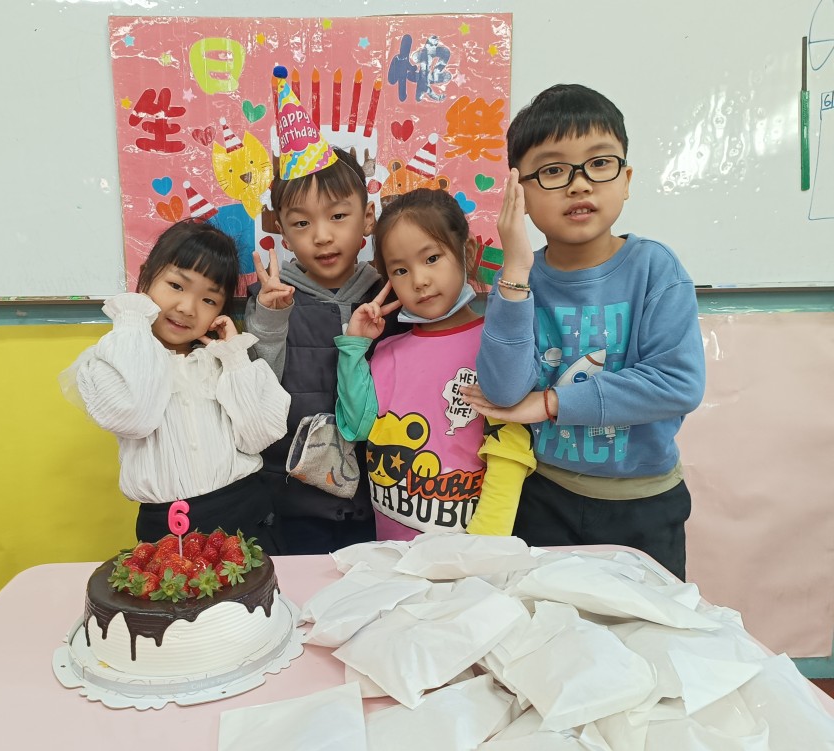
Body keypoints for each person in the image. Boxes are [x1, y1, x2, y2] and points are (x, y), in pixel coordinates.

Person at [462, 84, 706, 580]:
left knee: (640, 627)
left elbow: (678, 384)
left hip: (643, 503)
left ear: (626, 179)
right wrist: (515, 269)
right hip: (544, 494)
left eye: (598, 163)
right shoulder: (520, 280)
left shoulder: (655, 268)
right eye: (553, 171)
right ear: (519, 193)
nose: (579, 185)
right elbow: (505, 392)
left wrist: (552, 403)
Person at [243, 66, 404, 554]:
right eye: (301, 223)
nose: (322, 235)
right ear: (281, 230)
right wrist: (270, 322)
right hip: (293, 493)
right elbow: (255, 399)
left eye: (338, 215)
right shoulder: (270, 300)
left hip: (383, 491)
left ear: (367, 218)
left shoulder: (390, 294)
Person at [60, 219, 291, 554]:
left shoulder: (222, 362)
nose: (187, 308)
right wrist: (134, 315)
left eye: (209, 300)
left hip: (246, 514)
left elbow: (260, 435)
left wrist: (235, 357)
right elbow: (134, 414)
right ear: (146, 276)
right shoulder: (112, 360)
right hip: (164, 529)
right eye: (176, 286)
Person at [335, 188, 535, 540]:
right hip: (391, 554)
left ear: (467, 252)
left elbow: (511, 448)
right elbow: (356, 427)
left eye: (432, 258)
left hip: (470, 553)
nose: (419, 281)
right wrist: (354, 347)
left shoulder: (497, 345)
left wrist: (483, 544)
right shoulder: (387, 352)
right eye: (400, 269)